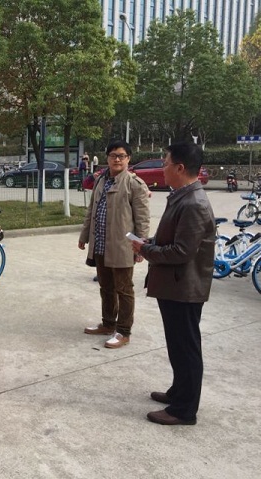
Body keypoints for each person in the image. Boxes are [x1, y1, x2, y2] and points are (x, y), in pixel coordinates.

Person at [131, 142, 215, 426]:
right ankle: (179, 392)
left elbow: (182, 252)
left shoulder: (194, 203)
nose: (162, 168)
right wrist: (151, 242)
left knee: (186, 348)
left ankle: (184, 410)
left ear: (180, 168)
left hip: (184, 288)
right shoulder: (182, 196)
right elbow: (174, 238)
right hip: (175, 285)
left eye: (165, 163)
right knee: (177, 345)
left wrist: (146, 250)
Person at [78, 140, 150, 349]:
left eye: (121, 156)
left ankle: (123, 331)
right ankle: (108, 323)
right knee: (106, 287)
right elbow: (91, 211)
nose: (117, 159)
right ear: (107, 158)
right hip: (100, 245)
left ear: (128, 159)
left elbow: (142, 219)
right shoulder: (101, 181)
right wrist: (84, 236)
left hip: (122, 246)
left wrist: (141, 247)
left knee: (124, 289)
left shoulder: (135, 184)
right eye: (113, 155)